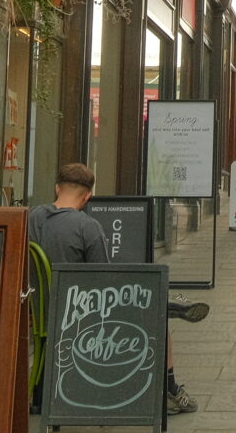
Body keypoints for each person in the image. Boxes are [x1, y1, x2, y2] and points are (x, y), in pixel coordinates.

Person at [29, 162, 201, 415]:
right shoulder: (87, 227)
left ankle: (170, 303)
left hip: (41, 312)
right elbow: (104, 282)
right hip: (80, 320)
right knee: (157, 316)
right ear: (88, 196)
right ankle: (170, 390)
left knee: (153, 299)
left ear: (57, 189)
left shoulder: (32, 217)